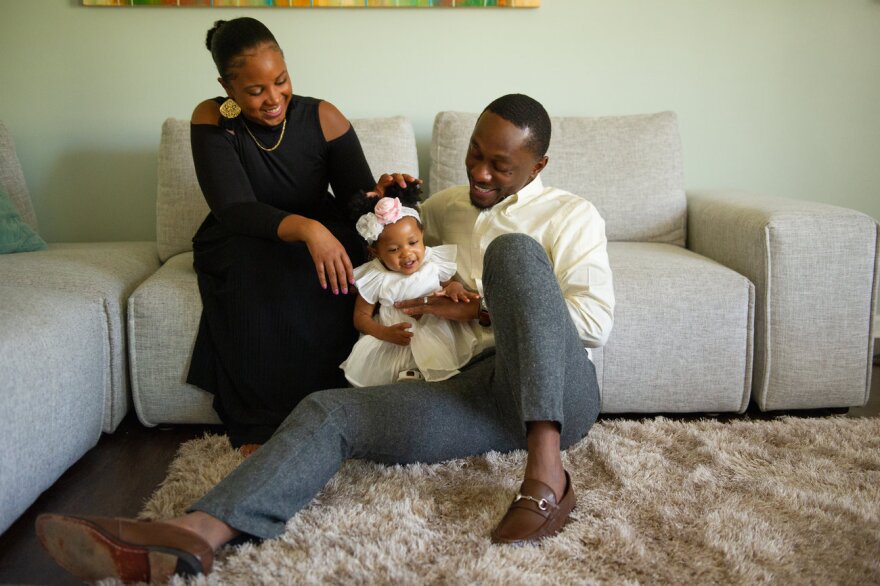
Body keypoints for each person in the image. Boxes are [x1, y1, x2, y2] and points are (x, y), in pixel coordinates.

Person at [36, 93, 615, 583]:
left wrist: (485, 310)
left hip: (561, 395)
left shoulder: (573, 216)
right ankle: (191, 535)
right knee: (326, 413)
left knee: (512, 254)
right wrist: (381, 210)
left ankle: (546, 475)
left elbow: (593, 323)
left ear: (537, 167)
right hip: (472, 392)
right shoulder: (444, 209)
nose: (480, 174)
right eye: (474, 156)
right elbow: (395, 254)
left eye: (501, 166)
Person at [180, 17, 415, 452]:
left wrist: (382, 194)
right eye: (255, 90)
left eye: (281, 81)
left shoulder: (323, 116)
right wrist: (307, 229)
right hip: (245, 231)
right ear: (226, 86)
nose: (273, 98)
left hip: (321, 224)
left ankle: (334, 412)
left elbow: (356, 203)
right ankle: (261, 423)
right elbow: (233, 207)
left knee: (340, 263)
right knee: (258, 268)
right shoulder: (213, 118)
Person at [340, 182, 478, 386]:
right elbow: (361, 318)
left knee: (442, 375)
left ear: (422, 236)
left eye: (413, 243)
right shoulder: (375, 276)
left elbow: (451, 283)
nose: (406, 253)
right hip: (393, 338)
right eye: (394, 249)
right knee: (392, 382)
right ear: (375, 252)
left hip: (435, 331)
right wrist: (384, 333)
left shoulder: (433, 260)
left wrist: (455, 289)